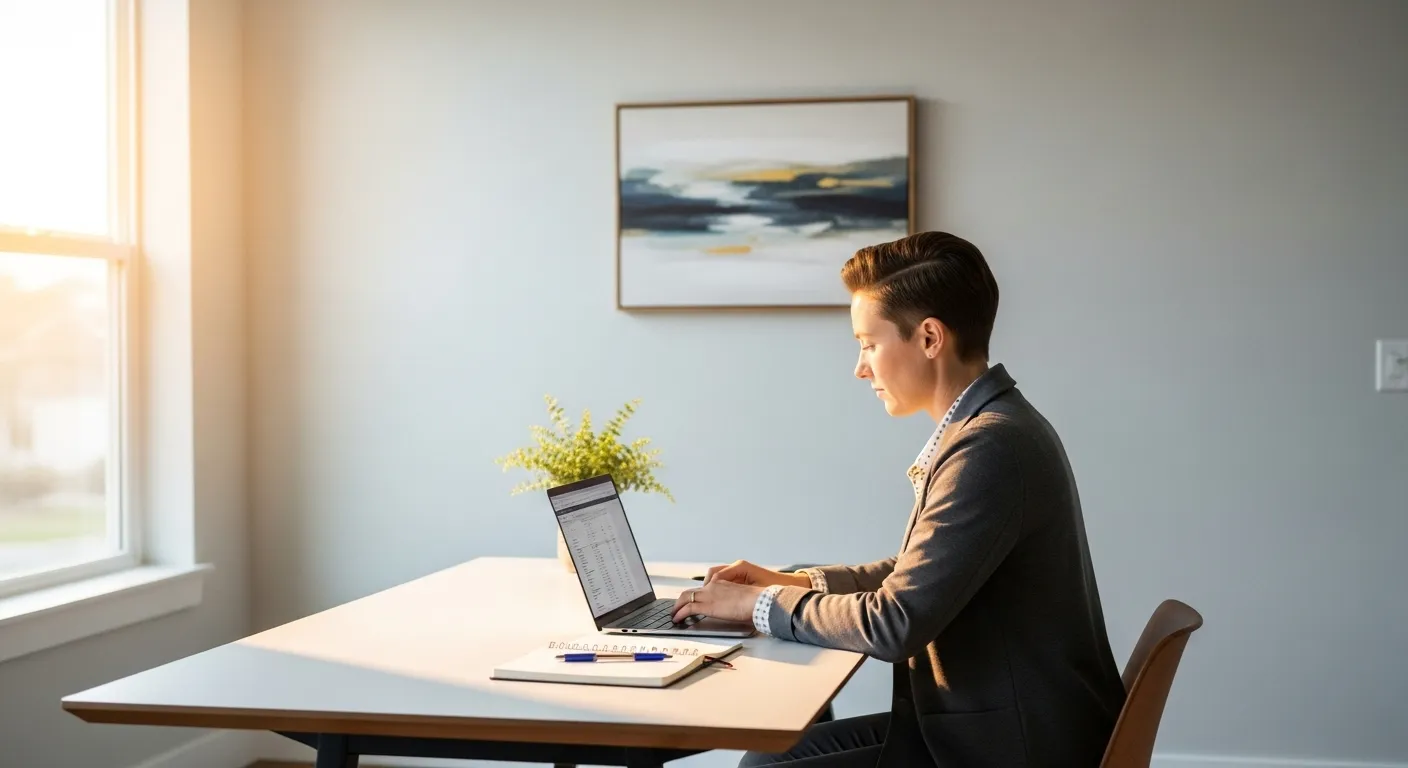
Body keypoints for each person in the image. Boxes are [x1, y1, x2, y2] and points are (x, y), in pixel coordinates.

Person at [671, 232, 1128, 767]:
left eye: (867, 343)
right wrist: (795, 583)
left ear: (930, 338)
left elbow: (895, 623)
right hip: (988, 727)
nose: (860, 367)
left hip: (1010, 748)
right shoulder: (993, 426)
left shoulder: (991, 445)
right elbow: (918, 572)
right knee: (770, 756)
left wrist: (758, 605)